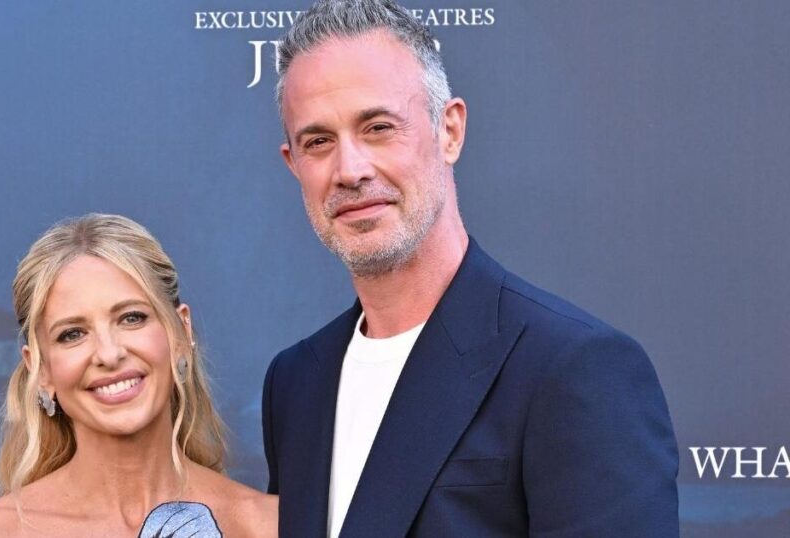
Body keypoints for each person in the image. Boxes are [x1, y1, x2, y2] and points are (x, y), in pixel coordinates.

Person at [261, 1, 679, 536]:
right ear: (293, 164)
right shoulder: (295, 382)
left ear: (449, 130)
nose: (350, 170)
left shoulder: (574, 369)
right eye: (318, 142)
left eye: (379, 128)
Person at [0, 214, 277, 537]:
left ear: (180, 332)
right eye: (73, 334)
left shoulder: (268, 525)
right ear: (41, 370)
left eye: (131, 318)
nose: (109, 354)